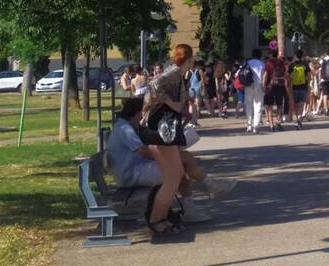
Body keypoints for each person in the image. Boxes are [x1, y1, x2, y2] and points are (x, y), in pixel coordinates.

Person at [107, 97, 234, 225]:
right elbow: (144, 151)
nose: (144, 116)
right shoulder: (124, 129)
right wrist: (167, 154)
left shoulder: (126, 126)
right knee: (180, 164)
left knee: (180, 163)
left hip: (137, 170)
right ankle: (206, 187)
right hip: (132, 175)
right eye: (143, 113)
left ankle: (204, 191)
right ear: (136, 113)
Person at [138, 44, 195, 236]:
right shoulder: (174, 72)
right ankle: (156, 220)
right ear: (189, 59)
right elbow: (154, 85)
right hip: (159, 131)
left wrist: (181, 109)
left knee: (176, 174)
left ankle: (161, 218)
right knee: (172, 178)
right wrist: (173, 104)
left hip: (165, 130)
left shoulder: (178, 74)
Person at [263, 49, 289, 131]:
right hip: (280, 85)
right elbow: (285, 74)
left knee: (269, 106)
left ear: (270, 55)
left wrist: (264, 86)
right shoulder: (281, 62)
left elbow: (266, 75)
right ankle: (278, 123)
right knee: (279, 105)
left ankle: (271, 125)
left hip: (270, 86)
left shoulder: (268, 63)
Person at [242, 49, 266, 134]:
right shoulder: (262, 64)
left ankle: (249, 125)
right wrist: (264, 86)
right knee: (258, 105)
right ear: (260, 55)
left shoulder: (248, 63)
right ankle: (256, 126)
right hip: (258, 85)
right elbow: (263, 75)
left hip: (248, 85)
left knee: (248, 104)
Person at [288, 50, 310, 129]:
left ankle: (297, 118)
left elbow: (288, 77)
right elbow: (309, 76)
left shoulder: (292, 65)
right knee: (301, 104)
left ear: (295, 56)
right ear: (302, 56)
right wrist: (308, 85)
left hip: (294, 87)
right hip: (303, 87)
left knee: (296, 104)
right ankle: (299, 120)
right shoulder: (305, 65)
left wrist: (289, 87)